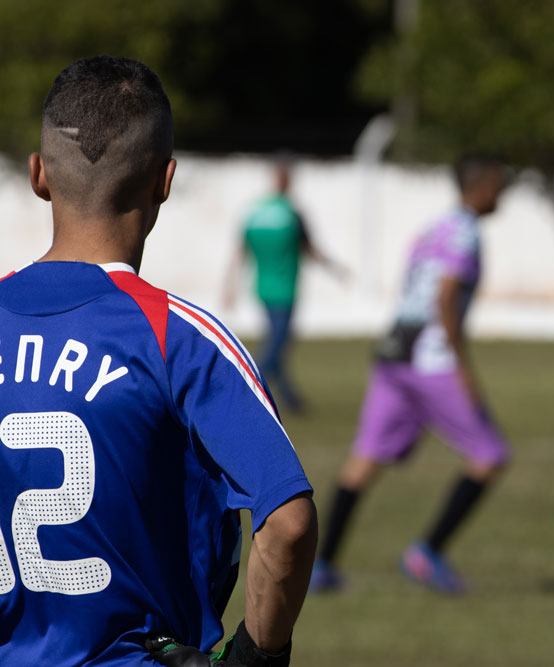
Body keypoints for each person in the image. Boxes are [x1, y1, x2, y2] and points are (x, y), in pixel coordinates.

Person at [0, 56, 317, 666]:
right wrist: (256, 656)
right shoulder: (180, 337)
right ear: (164, 181)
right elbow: (288, 522)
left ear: (38, 176)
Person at [310, 153, 510, 595]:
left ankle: (321, 565)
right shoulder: (466, 234)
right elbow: (445, 294)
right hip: (430, 359)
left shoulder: (434, 228)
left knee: (364, 461)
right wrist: (462, 365)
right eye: (499, 182)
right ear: (480, 185)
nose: (504, 190)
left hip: (394, 353)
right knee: (490, 455)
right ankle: (427, 553)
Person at [225, 160, 349, 412]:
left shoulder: (256, 212)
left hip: (262, 289)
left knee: (277, 342)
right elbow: (310, 248)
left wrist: (230, 286)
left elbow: (240, 251)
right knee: (277, 345)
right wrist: (335, 268)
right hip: (285, 289)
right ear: (288, 181)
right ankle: (244, 388)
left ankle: (292, 400)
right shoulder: (292, 213)